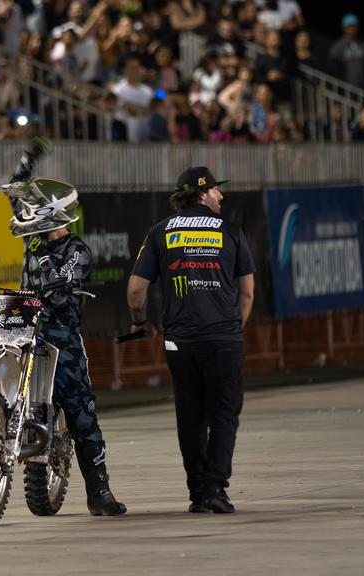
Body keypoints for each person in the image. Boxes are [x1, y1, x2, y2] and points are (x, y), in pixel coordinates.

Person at [3, 138, 126, 517]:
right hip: (23, 331)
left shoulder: (76, 250)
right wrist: (29, 161)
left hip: (61, 339)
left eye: (39, 212)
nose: (30, 215)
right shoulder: (33, 239)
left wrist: (43, 258)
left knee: (80, 410)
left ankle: (99, 492)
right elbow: (16, 192)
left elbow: (61, 284)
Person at [127, 167, 255, 514]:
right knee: (224, 414)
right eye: (216, 190)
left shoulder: (159, 232)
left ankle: (198, 492)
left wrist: (140, 324)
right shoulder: (231, 232)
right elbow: (246, 294)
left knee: (191, 414)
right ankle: (216, 487)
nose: (221, 196)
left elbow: (136, 291)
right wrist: (232, 330)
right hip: (223, 339)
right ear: (202, 193)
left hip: (180, 342)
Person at [327, 13, 364, 89]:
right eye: (349, 26)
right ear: (344, 28)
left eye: (354, 26)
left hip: (361, 89)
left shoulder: (363, 44)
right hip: (344, 88)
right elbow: (332, 68)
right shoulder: (338, 46)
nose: (352, 29)